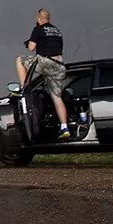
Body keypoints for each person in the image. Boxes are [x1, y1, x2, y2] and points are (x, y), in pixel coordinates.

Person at [15, 8, 72, 140]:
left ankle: (24, 88)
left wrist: (29, 41)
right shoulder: (57, 31)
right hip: (59, 66)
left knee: (20, 60)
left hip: (47, 62)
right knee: (57, 97)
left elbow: (31, 48)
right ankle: (65, 127)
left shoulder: (38, 29)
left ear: (38, 18)